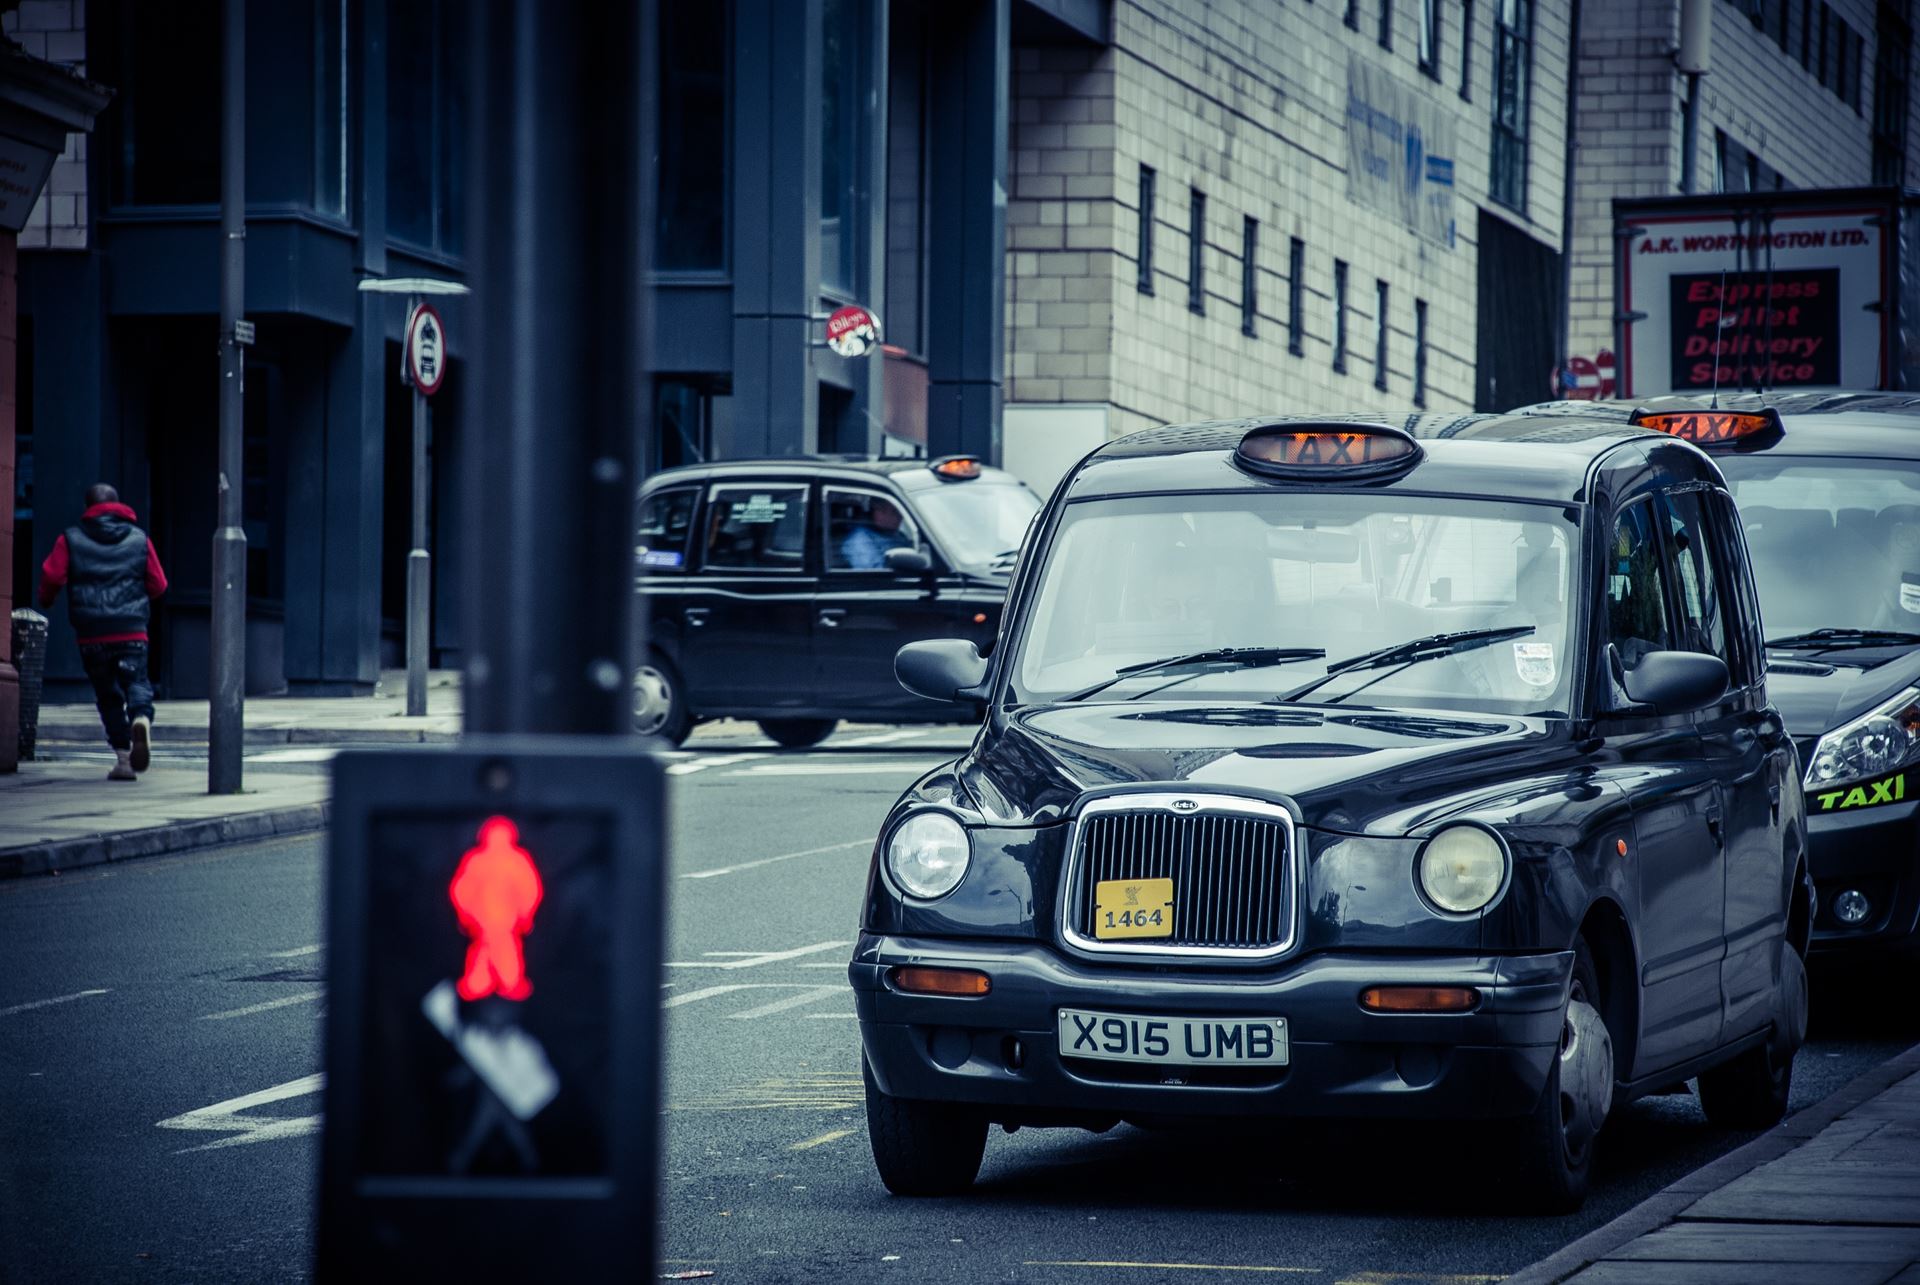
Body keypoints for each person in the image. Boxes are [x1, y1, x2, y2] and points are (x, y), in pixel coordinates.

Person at [38, 484, 168, 782]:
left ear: (89, 507)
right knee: (136, 682)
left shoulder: (70, 539)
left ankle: (123, 759)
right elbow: (159, 585)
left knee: (107, 695)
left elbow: (52, 576)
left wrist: (46, 599)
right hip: (132, 630)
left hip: (92, 634)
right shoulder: (139, 539)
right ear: (118, 505)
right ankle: (140, 717)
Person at [838, 499, 912, 570]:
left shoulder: (898, 535)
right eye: (895, 512)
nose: (900, 517)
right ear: (880, 512)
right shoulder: (860, 540)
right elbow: (877, 575)